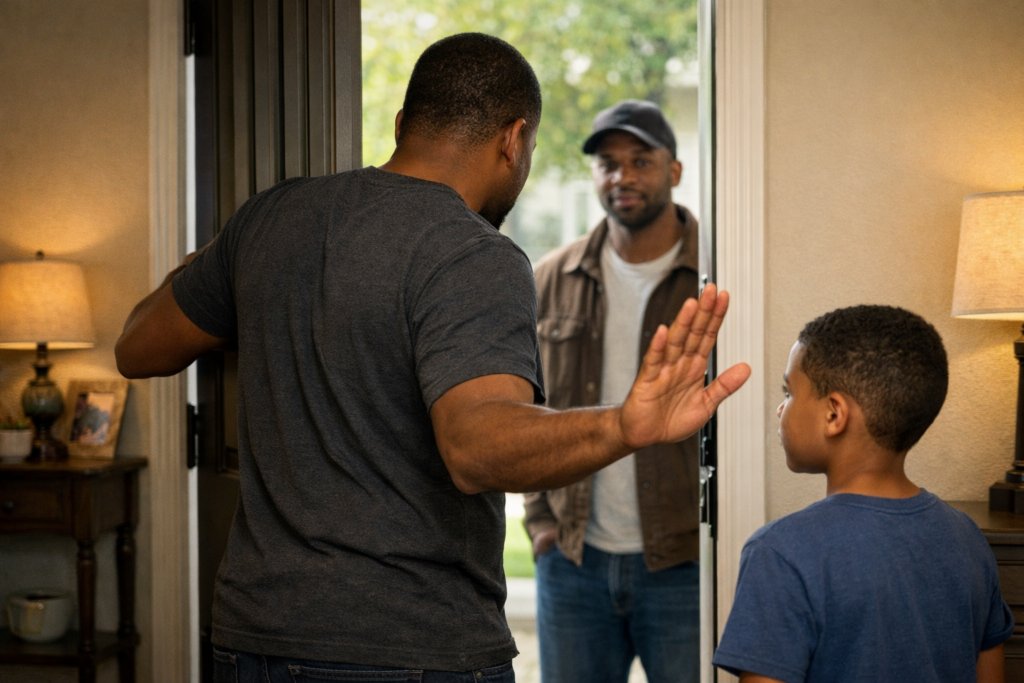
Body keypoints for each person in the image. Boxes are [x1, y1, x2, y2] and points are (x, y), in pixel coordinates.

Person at [115, 34, 750, 682]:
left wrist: (231, 272)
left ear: (401, 126)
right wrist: (622, 425)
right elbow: (475, 448)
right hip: (413, 648)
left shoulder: (268, 219)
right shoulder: (473, 251)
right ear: (514, 138)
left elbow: (137, 346)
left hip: (250, 641)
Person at [712, 305, 1014, 683]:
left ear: (834, 415)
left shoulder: (779, 552)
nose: (780, 408)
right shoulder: (966, 537)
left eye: (789, 392)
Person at [523, 99, 702, 683]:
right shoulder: (552, 277)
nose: (622, 176)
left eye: (640, 161)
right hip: (573, 561)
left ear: (673, 171)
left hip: (683, 564)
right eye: (607, 162)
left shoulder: (714, 277)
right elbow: (524, 406)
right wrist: (541, 525)